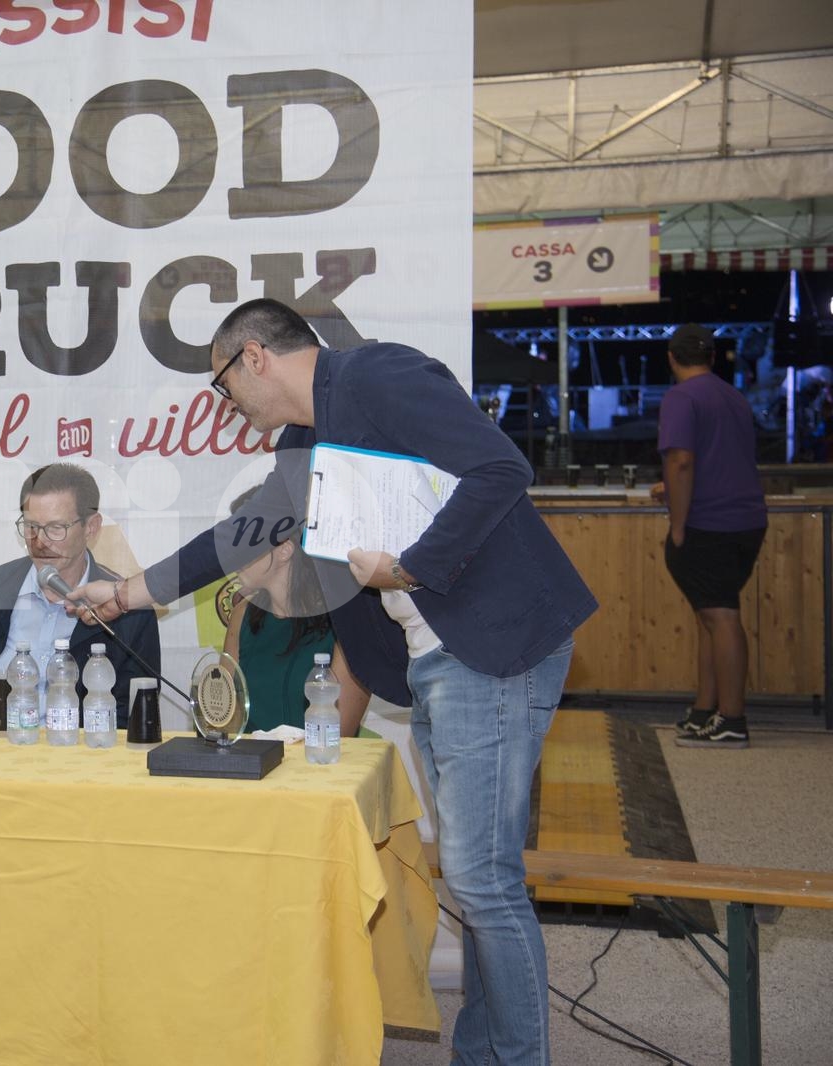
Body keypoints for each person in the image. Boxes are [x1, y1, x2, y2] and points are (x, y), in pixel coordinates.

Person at [73, 299, 596, 1065]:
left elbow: (501, 469)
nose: (226, 404)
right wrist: (124, 593)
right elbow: (241, 536)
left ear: (254, 356)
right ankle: (483, 1054)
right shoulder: (305, 440)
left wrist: (410, 567)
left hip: (491, 646)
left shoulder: (378, 376)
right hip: (436, 657)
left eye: (222, 384)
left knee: (482, 881)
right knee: (479, 878)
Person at [0, 463, 160, 725]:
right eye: (31, 526)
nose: (40, 541)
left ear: (91, 527)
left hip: (76, 748)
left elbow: (133, 714)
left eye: (56, 528)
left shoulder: (127, 608)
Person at [653, 324, 768, 749]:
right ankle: (706, 710)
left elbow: (681, 461)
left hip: (709, 524)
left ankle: (732, 720)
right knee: (711, 617)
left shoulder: (681, 397)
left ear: (671, 357)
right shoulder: (733, 396)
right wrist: (670, 487)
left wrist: (678, 524)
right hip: (747, 520)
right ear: (713, 357)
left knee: (721, 617)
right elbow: (722, 459)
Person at [221, 490, 369, 736]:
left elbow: (337, 733)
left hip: (318, 759)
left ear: (284, 549)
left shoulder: (345, 621)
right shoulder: (242, 614)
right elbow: (224, 719)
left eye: (245, 539)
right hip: (249, 759)